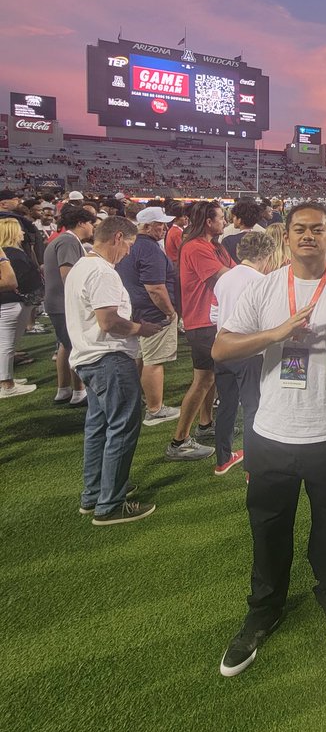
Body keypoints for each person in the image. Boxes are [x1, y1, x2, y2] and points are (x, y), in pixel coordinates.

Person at [213, 203, 326, 676]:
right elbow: (222, 347)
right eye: (300, 229)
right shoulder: (264, 287)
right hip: (272, 432)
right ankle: (264, 608)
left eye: (318, 229)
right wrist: (275, 333)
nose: (308, 236)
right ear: (287, 236)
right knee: (268, 527)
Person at [64, 215, 163, 524]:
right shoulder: (102, 271)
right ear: (118, 237)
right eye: (129, 244)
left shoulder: (81, 267)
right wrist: (140, 328)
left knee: (98, 427)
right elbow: (108, 321)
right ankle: (110, 503)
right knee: (122, 427)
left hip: (88, 357)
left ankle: (95, 493)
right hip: (108, 357)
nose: (129, 252)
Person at [210, 230, 277, 476]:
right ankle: (253, 470)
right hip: (249, 353)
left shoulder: (224, 278)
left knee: (226, 406)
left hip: (223, 350)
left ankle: (223, 459)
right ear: (266, 255)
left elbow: (213, 315)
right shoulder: (262, 282)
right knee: (253, 409)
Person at [171, 201, 234, 460]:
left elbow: (234, 270)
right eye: (221, 217)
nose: (224, 221)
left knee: (208, 378)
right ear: (208, 221)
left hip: (210, 320)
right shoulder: (196, 247)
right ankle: (179, 441)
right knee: (204, 381)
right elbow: (226, 276)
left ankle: (205, 424)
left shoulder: (214, 246)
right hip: (202, 321)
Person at [117, 206, 181, 426]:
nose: (165, 228)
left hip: (135, 310)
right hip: (153, 314)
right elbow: (155, 288)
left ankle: (139, 400)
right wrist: (170, 312)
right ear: (146, 226)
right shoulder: (149, 249)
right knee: (154, 361)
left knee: (141, 358)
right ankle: (155, 409)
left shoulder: (132, 245)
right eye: (160, 224)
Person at [42, 205, 95, 405]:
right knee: (75, 345)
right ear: (81, 223)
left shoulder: (63, 240)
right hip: (64, 304)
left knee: (65, 345)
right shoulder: (68, 241)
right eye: (90, 223)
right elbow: (69, 276)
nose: (92, 227)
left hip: (56, 302)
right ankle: (79, 392)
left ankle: (64, 389)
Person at [0, 217, 43, 398]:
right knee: (7, 345)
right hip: (10, 302)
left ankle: (6, 379)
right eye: (19, 229)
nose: (23, 232)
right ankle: (7, 385)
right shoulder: (12, 254)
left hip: (12, 302)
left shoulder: (11, 252)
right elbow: (17, 281)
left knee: (7, 345)